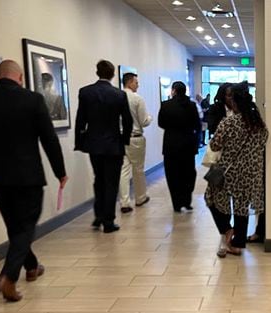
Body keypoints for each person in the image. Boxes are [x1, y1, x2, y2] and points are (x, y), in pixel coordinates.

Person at [0, 60, 68, 302]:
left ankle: (31, 267)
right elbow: (49, 139)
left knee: (15, 226)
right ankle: (8, 276)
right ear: (20, 77)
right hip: (28, 176)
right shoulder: (32, 100)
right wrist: (59, 171)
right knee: (26, 226)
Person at [205, 82, 268, 257]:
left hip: (228, 172)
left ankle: (226, 230)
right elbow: (264, 141)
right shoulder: (258, 123)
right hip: (251, 173)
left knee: (210, 198)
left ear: (235, 103)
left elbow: (215, 144)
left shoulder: (229, 122)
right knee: (241, 208)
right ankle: (237, 244)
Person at [74, 60, 133, 233]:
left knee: (98, 179)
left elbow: (80, 120)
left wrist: (80, 141)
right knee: (111, 182)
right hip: (113, 144)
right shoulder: (118, 95)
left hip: (94, 144)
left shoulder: (86, 92)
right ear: (113, 74)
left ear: (97, 72)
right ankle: (108, 220)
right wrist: (124, 140)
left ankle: (98, 215)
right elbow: (127, 120)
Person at [159, 82, 201, 213]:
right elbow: (197, 125)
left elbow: (161, 123)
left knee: (172, 174)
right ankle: (187, 201)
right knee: (188, 173)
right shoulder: (192, 105)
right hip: (188, 144)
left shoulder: (166, 105)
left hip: (171, 144)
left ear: (174, 91)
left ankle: (176, 203)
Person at [118, 72, 152, 214]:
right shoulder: (137, 99)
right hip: (136, 137)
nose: (138, 85)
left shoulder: (116, 97)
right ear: (130, 82)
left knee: (123, 170)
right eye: (136, 82)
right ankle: (140, 197)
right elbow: (144, 121)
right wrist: (150, 118)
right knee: (138, 169)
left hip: (120, 137)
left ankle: (124, 202)